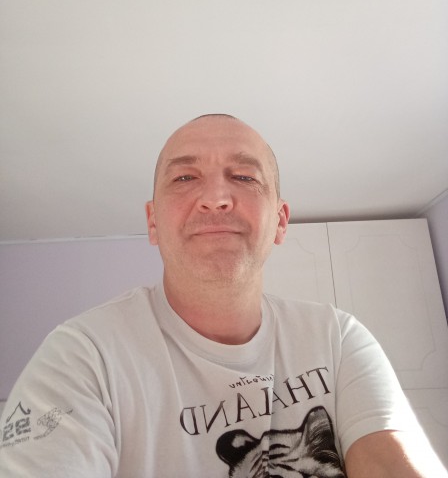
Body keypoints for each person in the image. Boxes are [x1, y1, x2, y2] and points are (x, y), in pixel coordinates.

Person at [0, 113, 445, 477]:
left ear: (280, 221)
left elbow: (391, 461)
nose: (215, 198)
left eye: (245, 177)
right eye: (184, 177)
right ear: (153, 222)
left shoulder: (338, 338)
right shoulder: (82, 356)